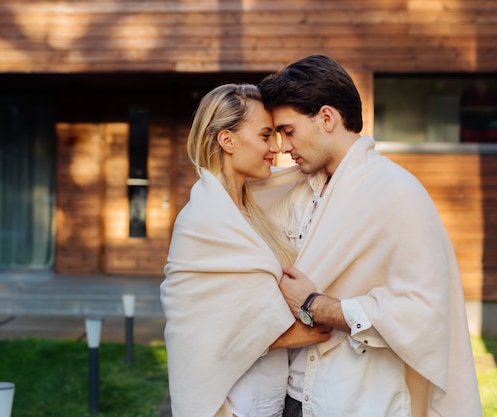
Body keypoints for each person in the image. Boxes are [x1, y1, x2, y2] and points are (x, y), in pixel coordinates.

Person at [253, 54, 482, 417]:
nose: (282, 146)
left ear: (326, 118)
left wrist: (314, 305)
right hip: (292, 395)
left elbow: (423, 312)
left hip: (356, 399)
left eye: (288, 130)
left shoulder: (395, 191)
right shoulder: (297, 190)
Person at [160, 83, 331, 417]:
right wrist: (281, 337)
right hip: (234, 402)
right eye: (265, 135)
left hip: (273, 398)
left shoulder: (257, 211)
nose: (276, 147)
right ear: (227, 140)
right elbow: (193, 326)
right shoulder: (202, 220)